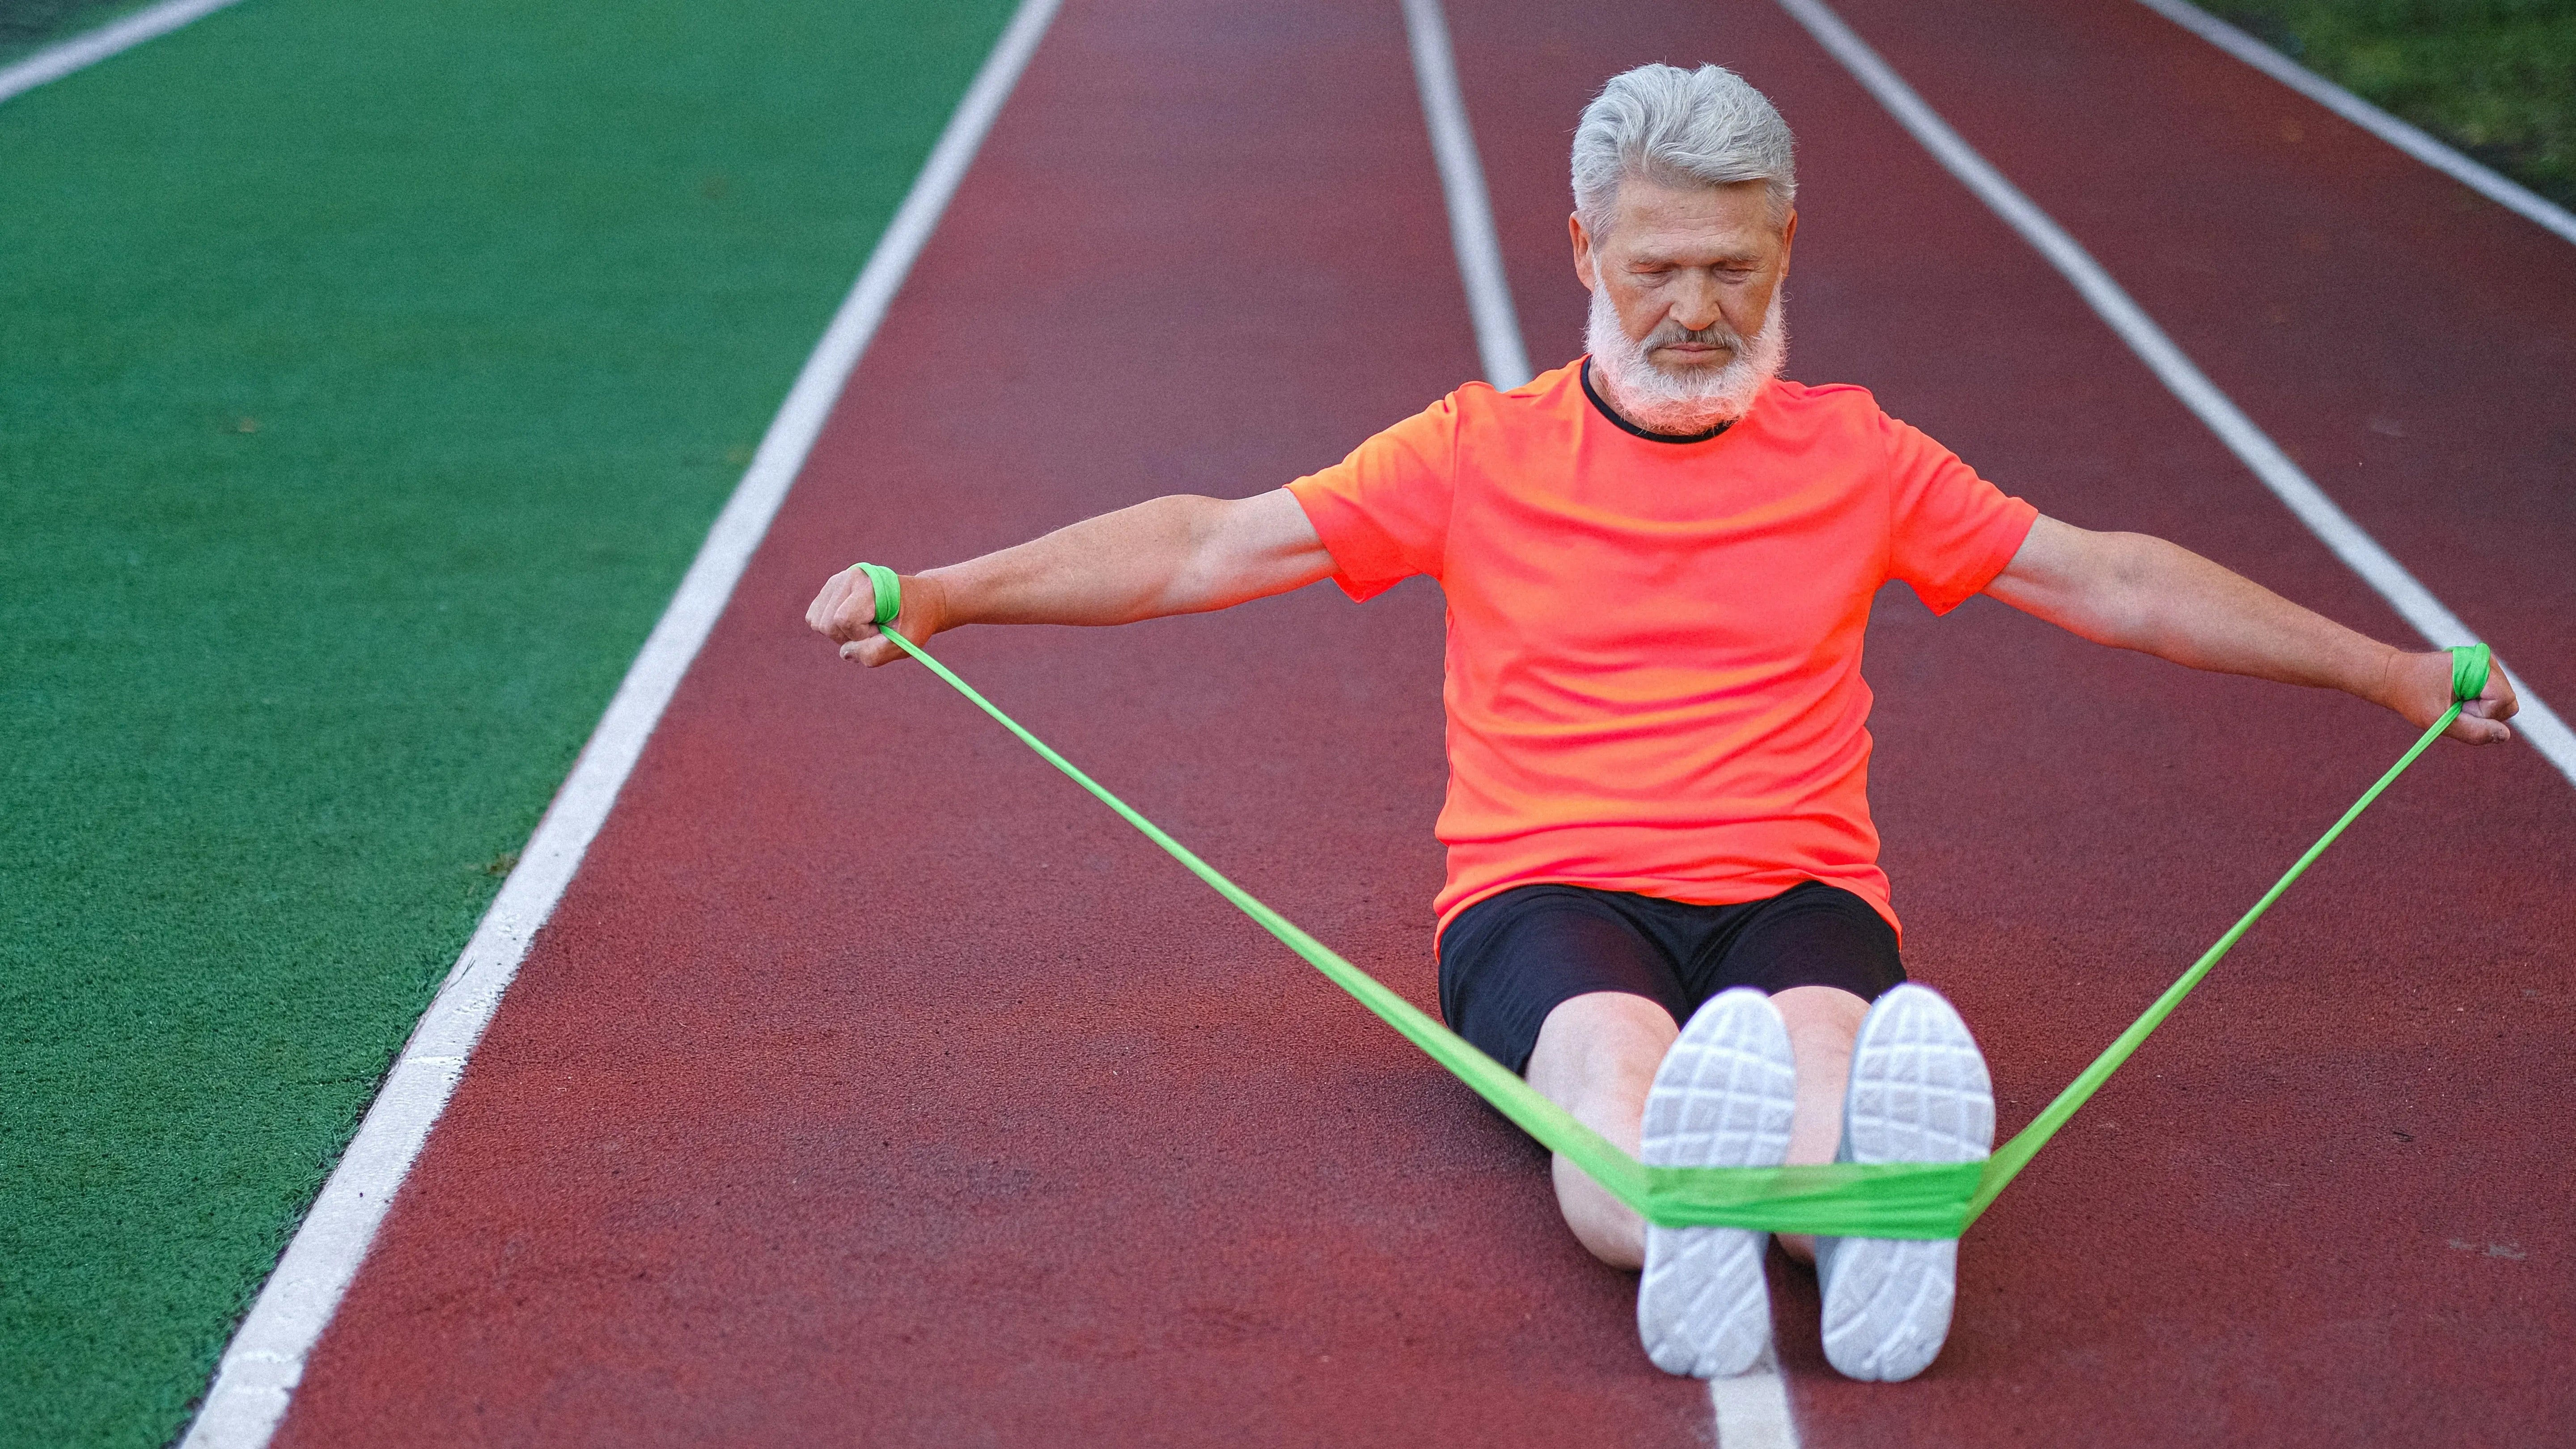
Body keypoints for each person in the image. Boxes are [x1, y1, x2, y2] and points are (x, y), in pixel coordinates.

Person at [807, 63, 2517, 1382]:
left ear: (1788, 247)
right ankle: (1743, 1236)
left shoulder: (1858, 455)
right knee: (1610, 1079)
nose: (1697, 307)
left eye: (1733, 264)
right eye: (1658, 267)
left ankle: (1862, 1259)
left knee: (1840, 1056)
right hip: (1546, 893)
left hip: (1797, 886)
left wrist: (2384, 671)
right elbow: (1204, 543)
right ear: (1581, 252)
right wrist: (949, 590)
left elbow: (2114, 583)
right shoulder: (1480, 451)